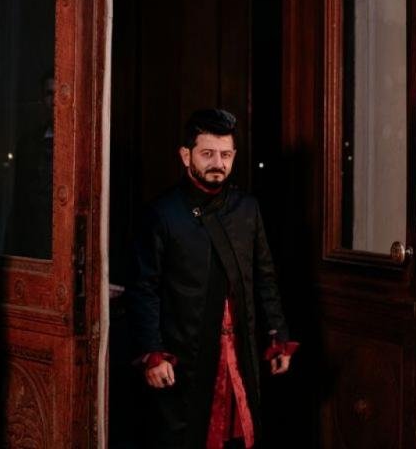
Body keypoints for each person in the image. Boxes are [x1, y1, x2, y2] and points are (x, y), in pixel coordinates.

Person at [125, 108, 298, 449]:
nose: (218, 163)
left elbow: (265, 277)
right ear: (185, 155)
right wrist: (152, 352)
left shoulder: (247, 208)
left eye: (225, 155)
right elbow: (144, 289)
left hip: (240, 351)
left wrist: (278, 335)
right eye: (207, 154)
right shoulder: (162, 213)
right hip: (186, 354)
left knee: (241, 437)